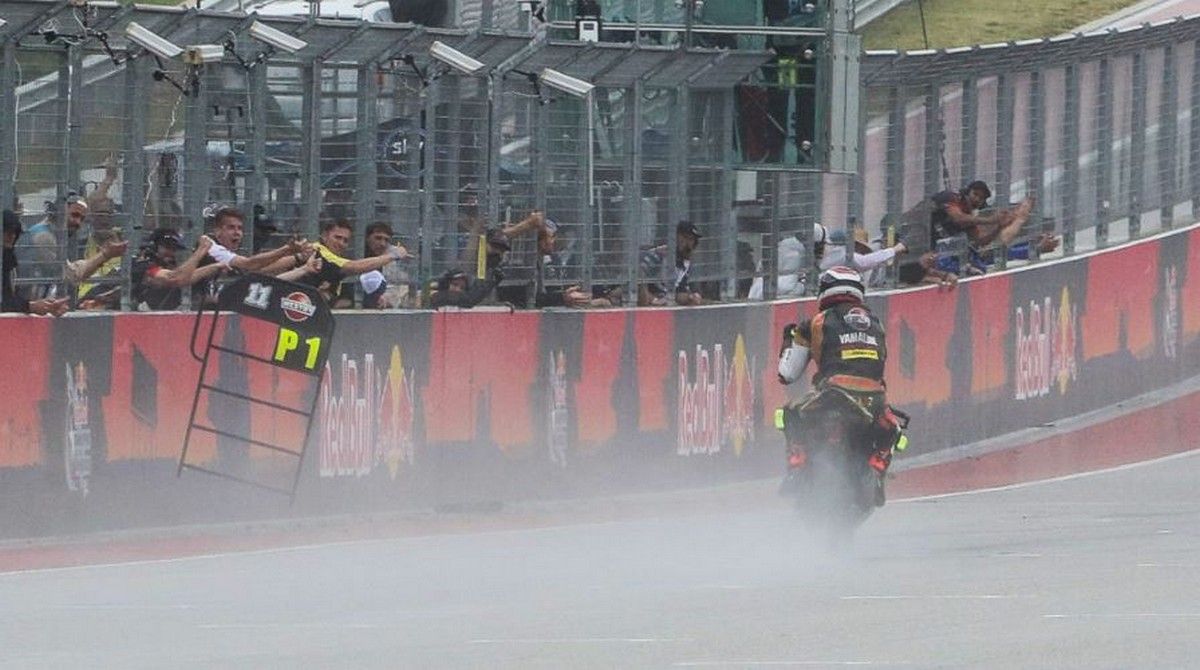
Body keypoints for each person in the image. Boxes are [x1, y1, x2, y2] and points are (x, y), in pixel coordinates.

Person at [776, 266, 906, 505]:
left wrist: (788, 339)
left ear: (825, 291)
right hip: (874, 397)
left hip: (833, 393)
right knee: (894, 430)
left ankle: (796, 465)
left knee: (787, 413)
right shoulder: (877, 324)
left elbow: (787, 374)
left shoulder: (814, 322)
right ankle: (877, 471)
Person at [2, 209, 69, 315]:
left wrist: (44, 306)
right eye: (7, 232)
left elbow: (8, 298)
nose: (12, 236)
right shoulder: (7, 259)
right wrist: (31, 306)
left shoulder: (8, 258)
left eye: (15, 232)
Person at [130, 229, 214, 311]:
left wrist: (215, 266)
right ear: (154, 246)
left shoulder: (168, 264)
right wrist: (200, 252)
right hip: (133, 314)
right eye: (167, 247)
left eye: (173, 249)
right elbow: (174, 278)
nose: (171, 252)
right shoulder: (142, 263)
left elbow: (185, 277)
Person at [639, 220, 705, 306]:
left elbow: (679, 292)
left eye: (692, 240)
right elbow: (637, 279)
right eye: (685, 238)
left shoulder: (685, 262)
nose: (689, 244)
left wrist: (690, 297)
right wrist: (653, 300)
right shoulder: (660, 254)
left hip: (664, 301)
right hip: (647, 301)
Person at [429, 267, 502, 309]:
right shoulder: (435, 296)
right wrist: (490, 283)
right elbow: (469, 300)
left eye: (462, 287)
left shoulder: (460, 301)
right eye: (455, 284)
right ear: (446, 284)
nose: (458, 290)